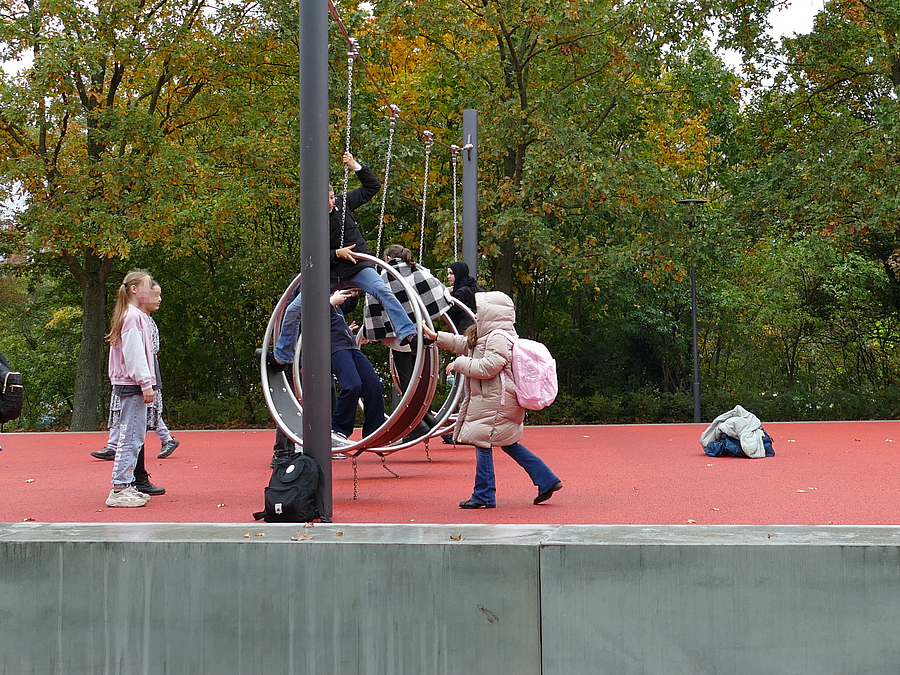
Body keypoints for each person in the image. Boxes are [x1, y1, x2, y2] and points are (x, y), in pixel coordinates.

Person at [271, 152, 418, 368]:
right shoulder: (311, 222)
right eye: (325, 200)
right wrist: (336, 254)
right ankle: (283, 356)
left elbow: (372, 187)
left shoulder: (343, 203)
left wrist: (355, 166)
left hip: (357, 267)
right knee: (294, 308)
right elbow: (310, 257)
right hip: (329, 273)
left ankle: (408, 334)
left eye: (331, 197)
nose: (330, 203)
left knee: (383, 290)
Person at [422, 291, 562, 508]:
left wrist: (459, 364)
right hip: (496, 400)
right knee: (508, 444)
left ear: (493, 313)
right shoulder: (490, 335)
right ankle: (546, 479)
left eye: (480, 310)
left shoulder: (498, 338)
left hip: (496, 402)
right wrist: (437, 337)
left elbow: (487, 368)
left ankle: (485, 495)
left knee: (483, 443)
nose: (477, 314)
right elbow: (465, 344)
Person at [268, 288, 384, 466]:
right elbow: (301, 316)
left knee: (374, 386)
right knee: (352, 385)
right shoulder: (307, 293)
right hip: (331, 346)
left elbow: (343, 306)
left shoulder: (330, 289)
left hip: (348, 343)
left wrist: (352, 295)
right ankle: (337, 431)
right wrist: (330, 302)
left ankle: (374, 432)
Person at [362, 244, 450, 442]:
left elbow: (373, 303)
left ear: (388, 257)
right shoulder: (417, 270)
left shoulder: (386, 276)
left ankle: (417, 424)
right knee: (418, 381)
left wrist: (373, 331)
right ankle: (427, 420)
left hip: (400, 337)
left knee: (407, 382)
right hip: (421, 333)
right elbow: (437, 290)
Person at [92, 283, 179, 463]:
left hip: (139, 376)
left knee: (141, 416)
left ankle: (124, 477)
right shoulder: (130, 317)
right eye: (155, 295)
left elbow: (148, 350)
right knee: (126, 414)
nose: (160, 299)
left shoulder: (140, 320)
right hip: (130, 377)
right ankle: (115, 447)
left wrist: (145, 382)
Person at [103, 269, 157, 508]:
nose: (152, 291)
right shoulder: (133, 317)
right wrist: (146, 383)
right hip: (132, 384)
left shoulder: (133, 315)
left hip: (130, 382)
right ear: (134, 289)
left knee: (135, 436)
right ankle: (119, 487)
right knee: (130, 436)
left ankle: (125, 484)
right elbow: (134, 355)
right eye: (147, 286)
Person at [445, 261, 479, 332]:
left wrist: (447, 295)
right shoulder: (473, 285)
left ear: (458, 273)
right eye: (448, 274)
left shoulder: (461, 292)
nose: (448, 277)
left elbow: (451, 309)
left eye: (451, 273)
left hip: (465, 327)